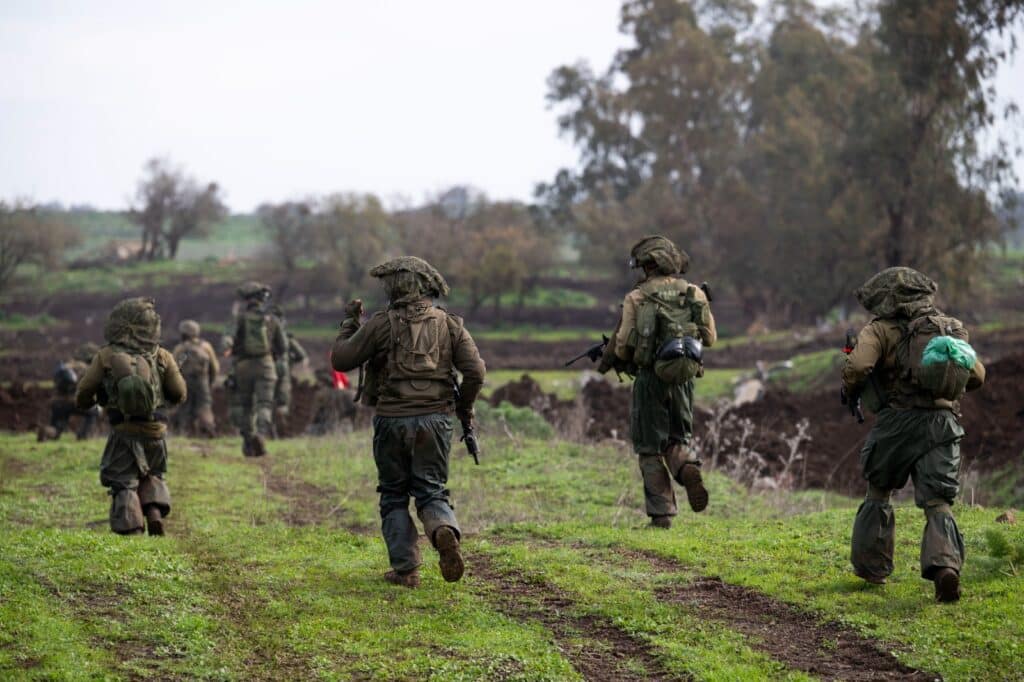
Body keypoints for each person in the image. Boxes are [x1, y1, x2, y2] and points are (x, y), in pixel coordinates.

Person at [331, 257, 485, 588]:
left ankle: (406, 570)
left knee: (394, 493)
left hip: (392, 420)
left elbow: (341, 360)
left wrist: (349, 323)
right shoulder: (449, 324)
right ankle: (442, 530)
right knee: (431, 491)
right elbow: (476, 372)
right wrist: (464, 408)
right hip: (436, 420)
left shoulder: (380, 324)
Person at [842, 267, 985, 603]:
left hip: (896, 424)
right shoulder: (949, 328)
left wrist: (850, 381)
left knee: (878, 491)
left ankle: (871, 568)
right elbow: (977, 375)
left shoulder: (879, 329)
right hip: (943, 424)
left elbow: (860, 366)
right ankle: (945, 567)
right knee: (937, 502)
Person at [596, 235, 716, 529]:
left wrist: (615, 358)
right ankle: (687, 466)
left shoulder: (637, 297)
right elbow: (710, 338)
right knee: (677, 439)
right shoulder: (694, 293)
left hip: (650, 380)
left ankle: (661, 515)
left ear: (647, 266)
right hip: (685, 378)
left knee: (650, 447)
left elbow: (622, 345)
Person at [74, 297, 186, 535]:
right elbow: (179, 393)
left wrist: (87, 403)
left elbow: (84, 391)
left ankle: (132, 528)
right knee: (153, 472)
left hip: (122, 430)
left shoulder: (105, 355)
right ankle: (154, 510)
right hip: (155, 430)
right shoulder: (162, 355)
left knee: (122, 479)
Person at [222, 282, 287, 456]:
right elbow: (283, 347)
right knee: (264, 404)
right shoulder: (271, 319)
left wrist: (228, 348)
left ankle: (248, 442)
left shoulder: (239, 318)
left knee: (246, 406)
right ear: (262, 299)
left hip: (243, 366)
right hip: (265, 365)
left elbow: (228, 337)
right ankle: (261, 434)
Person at [38, 343, 101, 441]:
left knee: (56, 429)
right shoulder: (87, 369)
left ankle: (47, 431)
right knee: (94, 412)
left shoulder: (66, 366)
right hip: (76, 402)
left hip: (57, 403)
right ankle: (83, 436)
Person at [171, 319, 219, 437]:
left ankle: (185, 432)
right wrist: (210, 382)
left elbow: (172, 370)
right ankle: (208, 429)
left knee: (185, 408)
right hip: (202, 381)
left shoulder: (179, 348)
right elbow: (215, 367)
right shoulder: (206, 346)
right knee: (204, 406)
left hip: (184, 382)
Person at [268, 305, 310, 433]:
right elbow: (302, 356)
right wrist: (290, 362)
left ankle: (269, 430)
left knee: (267, 401)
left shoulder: (264, 337)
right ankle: (281, 430)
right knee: (282, 402)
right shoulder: (286, 338)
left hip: (266, 371)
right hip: (283, 372)